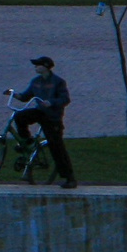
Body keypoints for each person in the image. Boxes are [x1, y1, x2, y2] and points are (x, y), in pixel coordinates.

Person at [11, 55, 76, 188]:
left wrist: (51, 102)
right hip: (40, 112)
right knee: (19, 117)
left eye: (38, 65)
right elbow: (25, 96)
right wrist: (14, 94)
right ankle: (27, 140)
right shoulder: (36, 81)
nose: (35, 67)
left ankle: (69, 178)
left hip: (52, 117)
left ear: (46, 66)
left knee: (56, 147)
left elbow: (65, 99)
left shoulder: (58, 82)